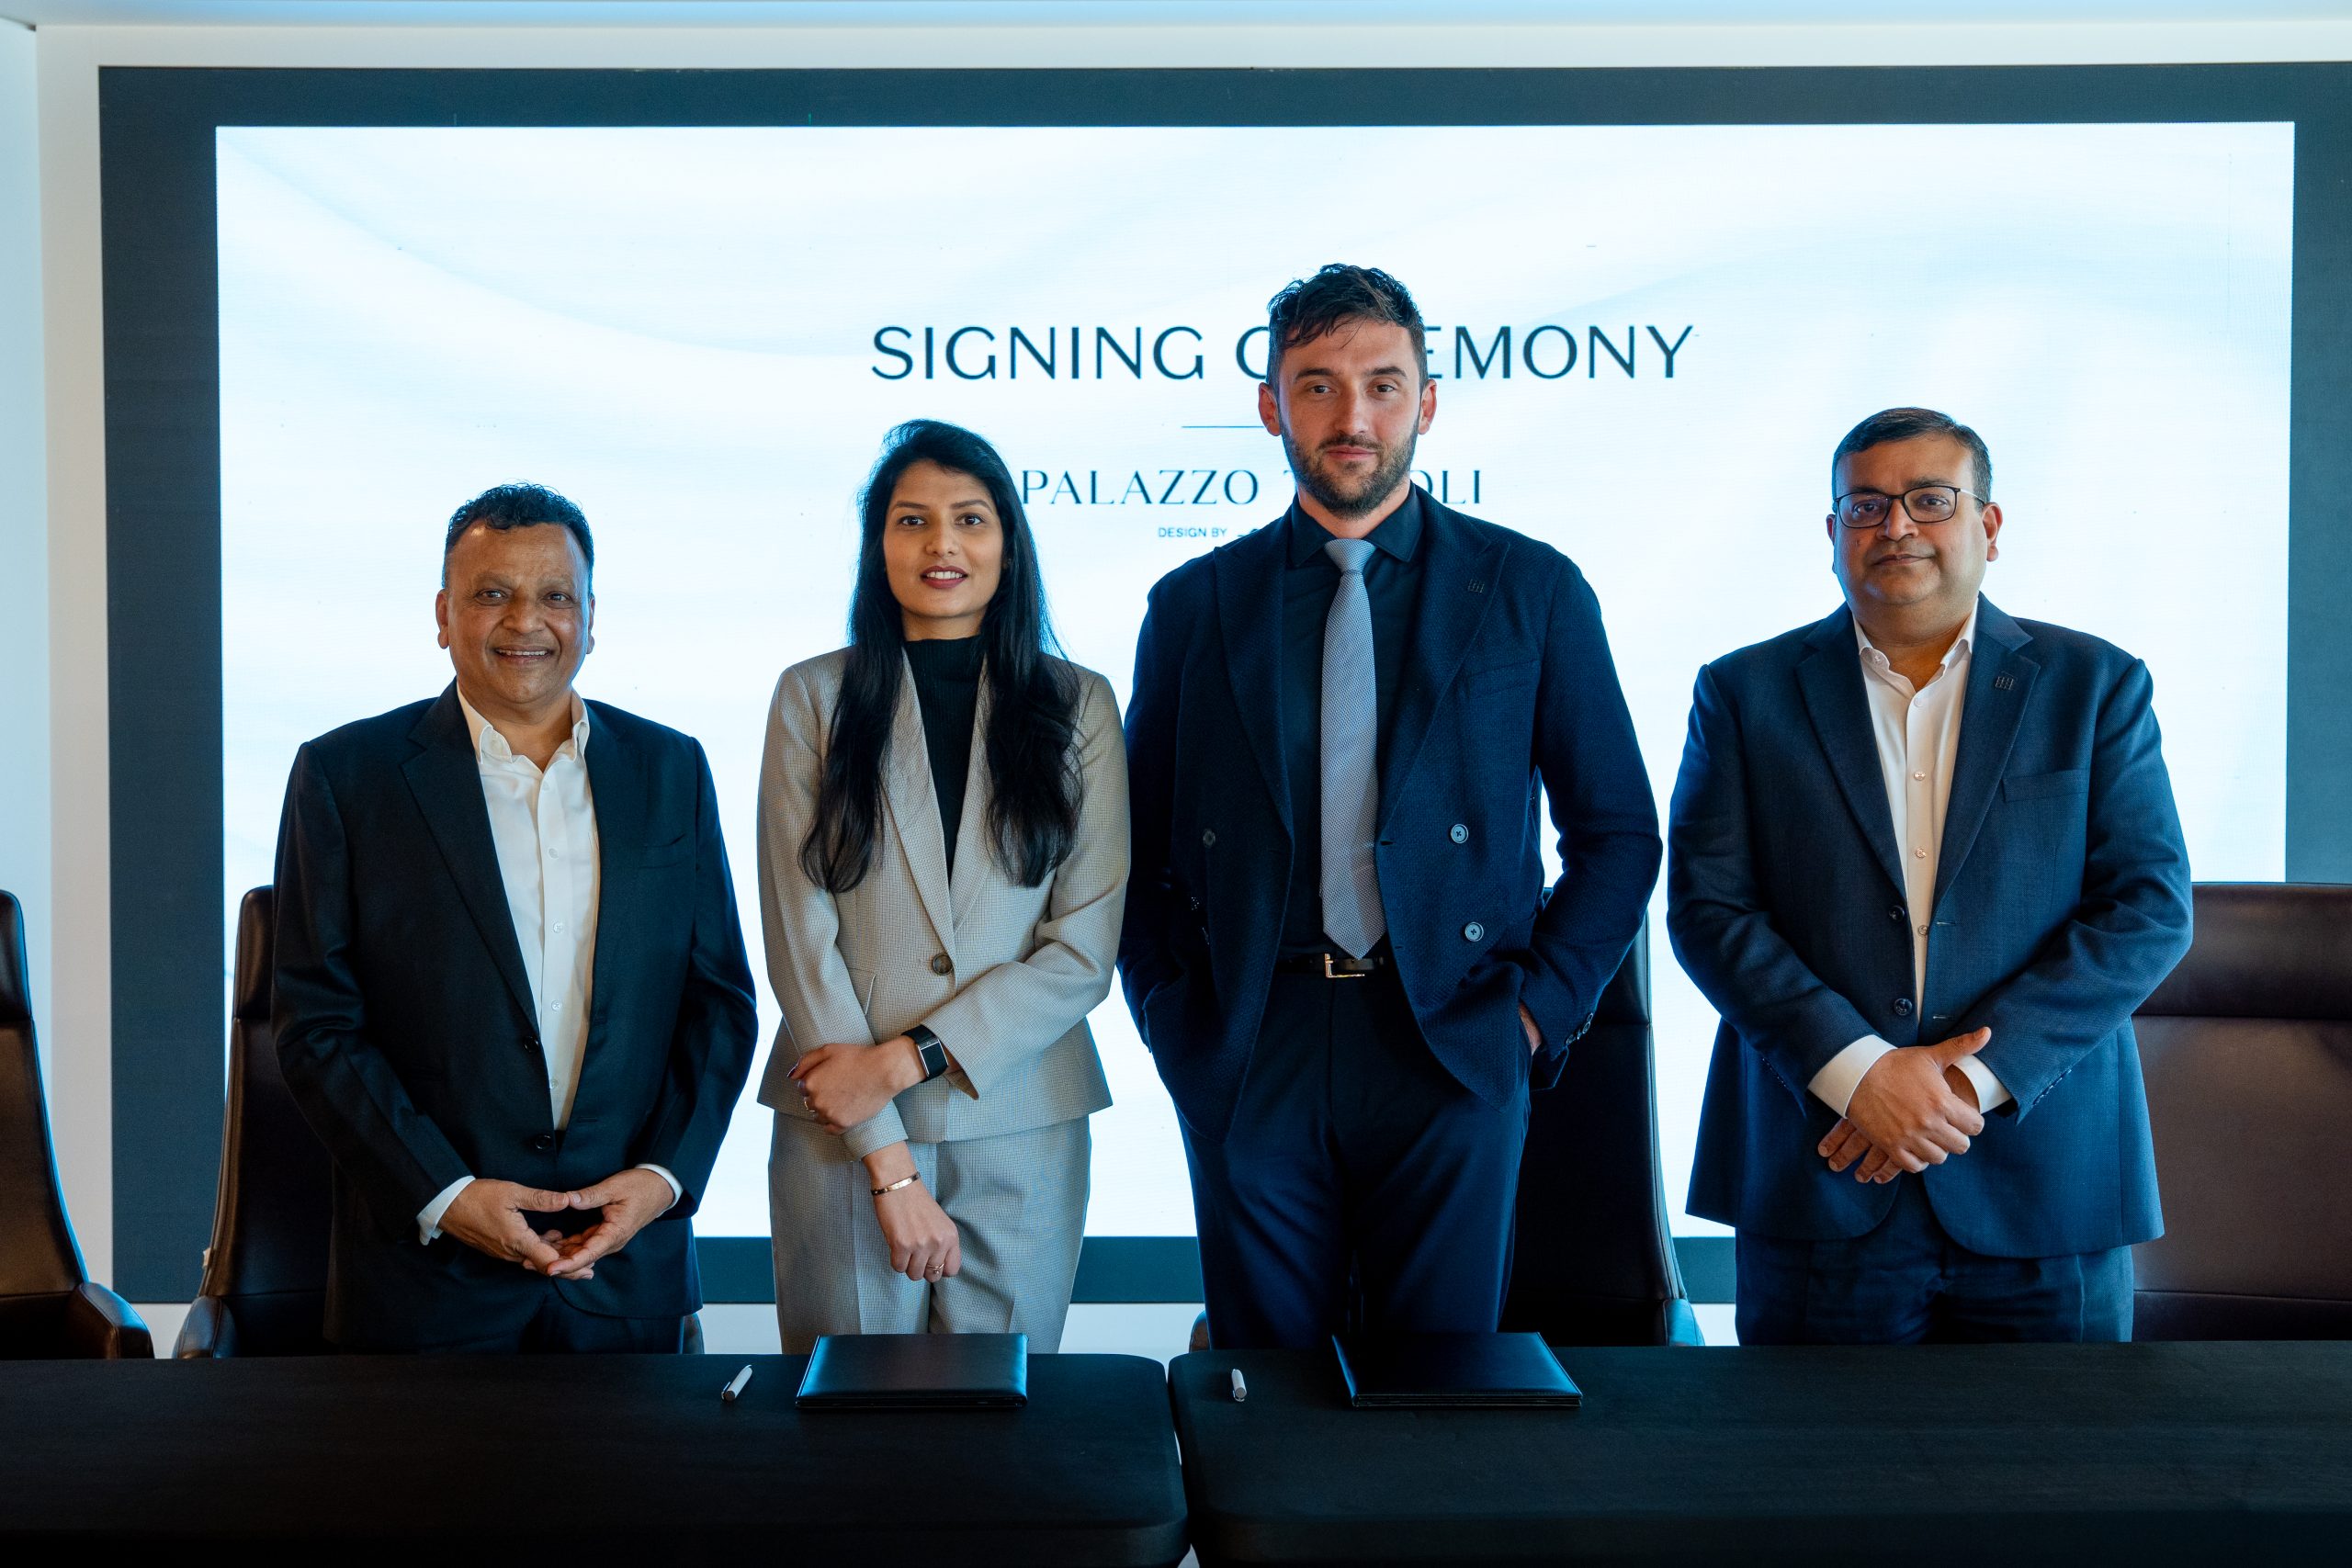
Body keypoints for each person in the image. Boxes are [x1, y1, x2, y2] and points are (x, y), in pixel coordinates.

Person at [1119, 265, 1661, 1349]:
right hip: (1253, 1040)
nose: (1352, 417)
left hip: (1454, 1037)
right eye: (1316, 386)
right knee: (1266, 1390)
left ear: (1427, 401)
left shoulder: (1530, 588)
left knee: (1442, 1391)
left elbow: (1616, 834)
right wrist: (1177, 1017)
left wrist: (1530, 1017)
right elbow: (1131, 852)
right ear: (1271, 407)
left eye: (1381, 384)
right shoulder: (1194, 605)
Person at [1670, 407, 2194, 1344]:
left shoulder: (2095, 684)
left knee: (2064, 1446)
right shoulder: (1744, 692)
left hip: (2044, 1177)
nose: (1897, 526)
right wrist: (1859, 1072)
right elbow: (1710, 909)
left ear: (1987, 525)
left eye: (1929, 500)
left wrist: (1965, 1084)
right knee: (1808, 1446)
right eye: (1866, 506)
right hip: (1823, 1166)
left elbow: (2146, 909)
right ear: (1833, 532)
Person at [271, 483, 759, 1353]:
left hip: (624, 1269)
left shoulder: (670, 768)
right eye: (492, 593)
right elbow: (317, 1025)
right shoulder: (346, 777)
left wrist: (662, 1177)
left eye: (555, 595)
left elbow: (719, 1001)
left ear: (591, 617)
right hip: (426, 1285)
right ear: (443, 614)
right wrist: (446, 1193)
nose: (525, 620)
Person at [758, 420, 1128, 1352]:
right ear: (877, 543)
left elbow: (1084, 950)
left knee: (1004, 1413)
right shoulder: (812, 696)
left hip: (1022, 1115)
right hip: (841, 1124)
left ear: (1008, 542)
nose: (941, 544)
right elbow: (800, 936)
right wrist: (884, 1152)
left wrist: (903, 1059)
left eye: (969, 518)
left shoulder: (1078, 703)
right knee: (846, 1410)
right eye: (911, 520)